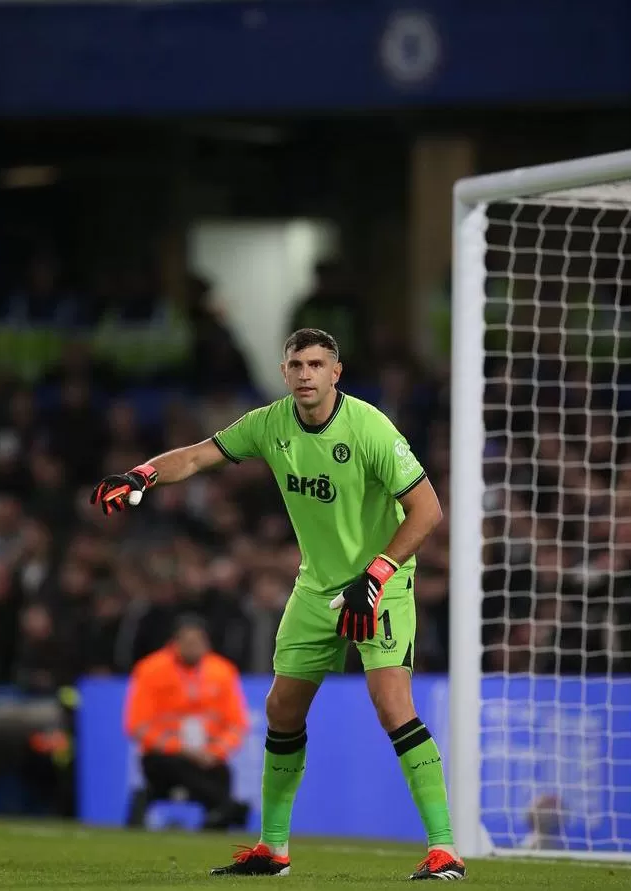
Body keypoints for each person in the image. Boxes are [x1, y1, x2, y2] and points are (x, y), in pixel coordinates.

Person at [91, 328, 465, 881]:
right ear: (284, 373)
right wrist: (142, 473)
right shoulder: (269, 424)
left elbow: (428, 510)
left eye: (316, 364)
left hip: (380, 583)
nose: (306, 374)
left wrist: (378, 571)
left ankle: (444, 849)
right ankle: (273, 849)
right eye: (296, 365)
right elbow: (196, 457)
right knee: (281, 710)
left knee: (392, 705)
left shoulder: (370, 428)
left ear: (335, 373)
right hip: (315, 588)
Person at [123, 614, 250, 831]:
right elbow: (137, 725)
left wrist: (214, 752)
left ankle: (218, 820)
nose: (194, 647)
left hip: (207, 755)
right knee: (178, 766)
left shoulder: (222, 671)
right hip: (164, 756)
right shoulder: (150, 669)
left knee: (221, 773)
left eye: (198, 641)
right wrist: (181, 749)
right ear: (175, 642)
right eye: (188, 641)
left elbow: (237, 725)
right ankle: (229, 807)